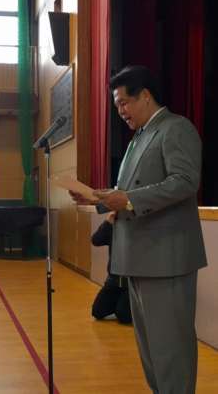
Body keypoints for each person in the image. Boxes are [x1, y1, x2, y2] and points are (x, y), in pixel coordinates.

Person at [70, 66, 206, 394]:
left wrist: (129, 198)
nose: (120, 112)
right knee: (151, 351)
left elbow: (185, 182)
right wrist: (96, 197)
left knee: (170, 349)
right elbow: (127, 191)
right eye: (116, 106)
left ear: (145, 96)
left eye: (123, 103)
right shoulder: (139, 139)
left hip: (165, 258)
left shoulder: (175, 128)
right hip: (137, 257)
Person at [91, 212, 132, 324]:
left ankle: (126, 305)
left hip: (131, 283)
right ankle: (121, 303)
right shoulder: (114, 225)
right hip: (114, 280)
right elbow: (96, 240)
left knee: (124, 317)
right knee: (97, 312)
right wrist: (108, 222)